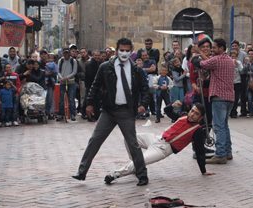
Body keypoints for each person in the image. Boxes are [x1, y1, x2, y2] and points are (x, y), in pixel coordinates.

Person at [72, 38, 150, 186]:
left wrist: (143, 104)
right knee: (95, 140)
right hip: (108, 111)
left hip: (126, 112)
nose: (124, 53)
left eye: (127, 50)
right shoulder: (105, 67)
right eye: (122, 50)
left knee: (133, 143)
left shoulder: (136, 70)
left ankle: (142, 175)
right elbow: (94, 86)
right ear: (116, 50)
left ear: (131, 51)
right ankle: (81, 172)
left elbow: (145, 89)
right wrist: (89, 104)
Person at [103, 103, 211, 184]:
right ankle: (136, 167)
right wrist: (172, 105)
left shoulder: (197, 130)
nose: (192, 114)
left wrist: (203, 170)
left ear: (200, 118)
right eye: (192, 111)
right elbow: (167, 110)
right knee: (129, 138)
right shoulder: (182, 115)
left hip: (163, 149)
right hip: (156, 138)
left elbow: (199, 150)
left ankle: (115, 175)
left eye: (196, 114)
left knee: (140, 161)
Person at [199, 38, 235, 164]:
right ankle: (227, 151)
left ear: (221, 48)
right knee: (224, 126)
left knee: (218, 126)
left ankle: (220, 154)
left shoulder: (217, 60)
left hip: (219, 97)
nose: (212, 50)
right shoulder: (230, 60)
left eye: (214, 48)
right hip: (229, 97)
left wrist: (198, 54)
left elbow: (202, 64)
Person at [56, 48, 77, 121]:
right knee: (61, 98)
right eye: (64, 53)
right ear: (62, 54)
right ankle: (60, 114)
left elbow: (74, 72)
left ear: (69, 53)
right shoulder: (60, 61)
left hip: (71, 82)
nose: (66, 55)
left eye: (67, 53)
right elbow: (58, 71)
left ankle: (72, 114)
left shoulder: (73, 61)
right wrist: (61, 78)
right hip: (62, 82)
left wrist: (67, 77)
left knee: (71, 98)